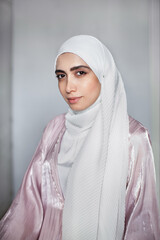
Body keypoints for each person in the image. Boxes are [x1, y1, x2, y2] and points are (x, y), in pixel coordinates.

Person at [0, 35, 160, 240]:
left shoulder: (133, 137)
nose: (68, 87)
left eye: (80, 73)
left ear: (104, 74)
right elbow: (26, 209)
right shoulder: (55, 129)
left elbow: (141, 223)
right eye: (61, 76)